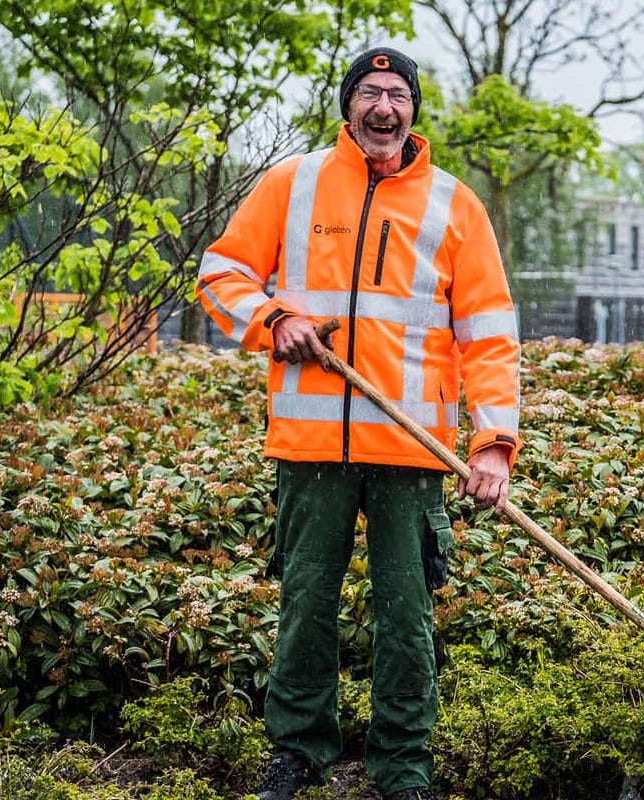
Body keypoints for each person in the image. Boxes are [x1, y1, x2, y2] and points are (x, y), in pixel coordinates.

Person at [195, 46, 521, 800]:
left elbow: (490, 336)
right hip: (311, 447)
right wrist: (273, 318)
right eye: (370, 92)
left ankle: (403, 769)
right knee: (305, 605)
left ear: (413, 109)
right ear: (348, 105)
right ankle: (297, 754)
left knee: (406, 620)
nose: (384, 107)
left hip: (414, 451)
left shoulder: (454, 204)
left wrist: (494, 445)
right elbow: (220, 273)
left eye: (397, 94)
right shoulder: (292, 183)